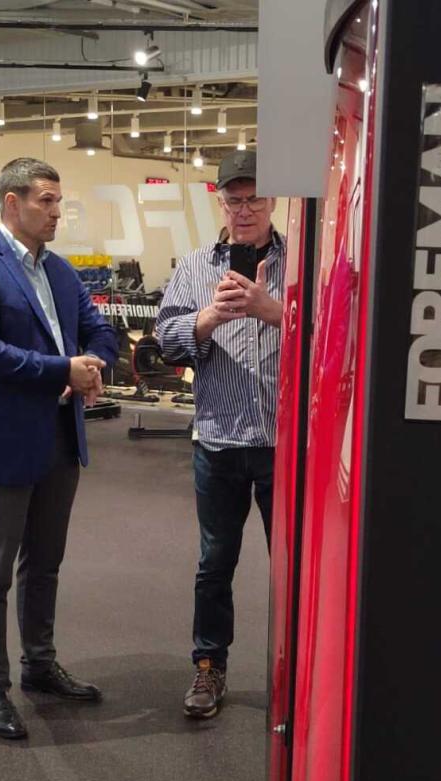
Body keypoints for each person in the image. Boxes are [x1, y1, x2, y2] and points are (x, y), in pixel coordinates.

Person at [0, 157, 118, 740]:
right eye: (46, 200)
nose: (56, 211)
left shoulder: (62, 272)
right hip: (2, 439)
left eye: (57, 200)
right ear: (12, 203)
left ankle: (39, 665)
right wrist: (61, 370)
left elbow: (100, 334)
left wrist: (91, 366)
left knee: (45, 563)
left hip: (60, 438)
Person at [155, 150, 285, 719]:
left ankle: (300, 670)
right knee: (215, 565)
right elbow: (166, 341)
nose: (245, 210)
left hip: (287, 446)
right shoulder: (193, 268)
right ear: (221, 203)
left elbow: (336, 336)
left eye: (254, 199)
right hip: (218, 441)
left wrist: (271, 310)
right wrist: (207, 318)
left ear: (273, 200)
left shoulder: (302, 267)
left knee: (294, 567)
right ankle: (209, 667)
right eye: (235, 200)